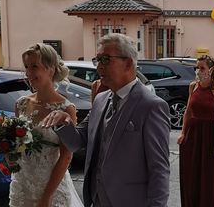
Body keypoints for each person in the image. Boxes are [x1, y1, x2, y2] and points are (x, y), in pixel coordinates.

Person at [42, 33, 171, 207]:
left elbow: (159, 169)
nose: (99, 67)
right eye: (98, 60)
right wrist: (63, 122)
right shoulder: (101, 100)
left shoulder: (151, 106)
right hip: (97, 198)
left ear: (128, 63)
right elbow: (77, 142)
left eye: (105, 59)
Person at [10, 43, 84, 207]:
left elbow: (66, 157)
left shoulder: (66, 108)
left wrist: (46, 197)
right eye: (26, 67)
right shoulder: (21, 104)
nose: (28, 73)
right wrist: (10, 154)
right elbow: (18, 144)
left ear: (50, 69)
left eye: (34, 66)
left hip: (51, 187)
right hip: (22, 185)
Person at [177, 54, 214, 207]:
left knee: (209, 176)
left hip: (210, 134)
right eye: (197, 68)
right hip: (192, 133)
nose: (198, 71)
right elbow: (188, 111)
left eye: (202, 68)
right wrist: (183, 133)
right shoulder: (193, 86)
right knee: (191, 174)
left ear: (211, 70)